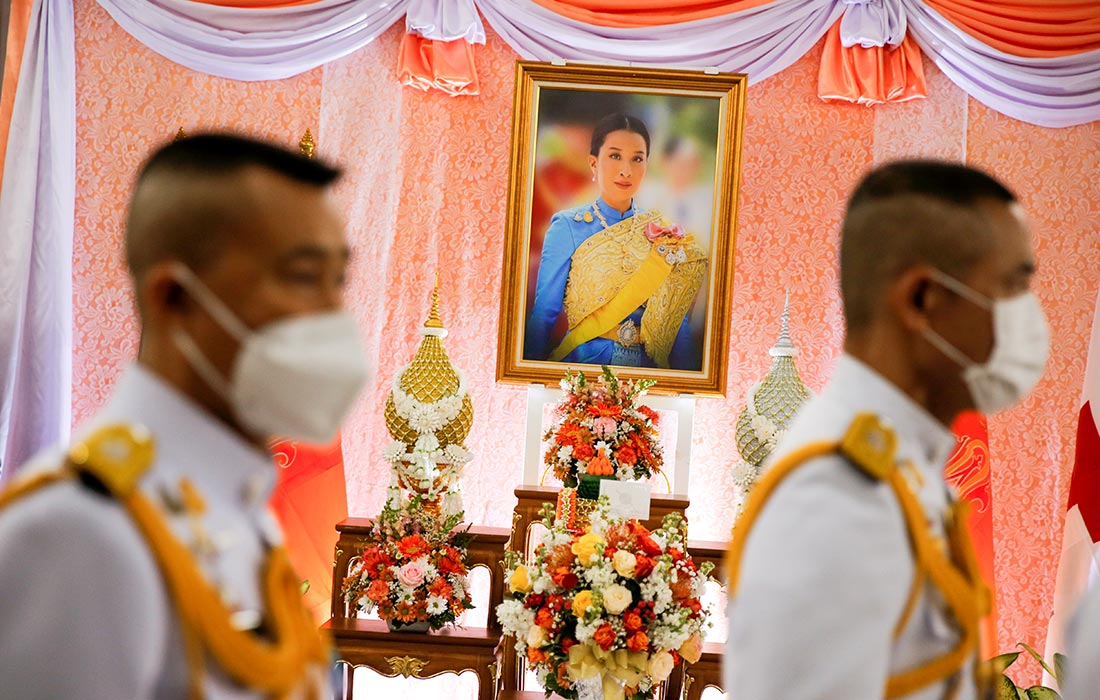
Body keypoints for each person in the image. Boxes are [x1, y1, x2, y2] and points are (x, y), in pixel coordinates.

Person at [0, 133, 369, 699]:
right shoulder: (79, 533)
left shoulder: (240, 510)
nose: (331, 317)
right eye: (300, 277)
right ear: (174, 297)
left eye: (336, 282)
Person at [724, 160, 1049, 700]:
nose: (1029, 319)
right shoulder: (834, 498)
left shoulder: (903, 468)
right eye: (1011, 286)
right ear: (923, 299)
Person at [524, 113, 707, 370]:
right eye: (615, 156)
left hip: (646, 376)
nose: (626, 170)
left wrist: (688, 386)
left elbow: (676, 323)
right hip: (582, 371)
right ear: (593, 163)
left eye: (637, 159)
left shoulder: (663, 232)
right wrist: (531, 379)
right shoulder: (568, 226)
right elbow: (544, 314)